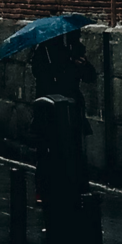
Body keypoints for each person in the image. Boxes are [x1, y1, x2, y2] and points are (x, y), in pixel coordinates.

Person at [30, 30, 98, 203]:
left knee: (76, 148)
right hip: (49, 106)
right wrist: (67, 64)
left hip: (72, 105)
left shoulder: (76, 50)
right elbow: (41, 74)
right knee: (47, 148)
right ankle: (43, 189)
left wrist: (82, 65)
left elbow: (90, 77)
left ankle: (78, 187)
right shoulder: (43, 51)